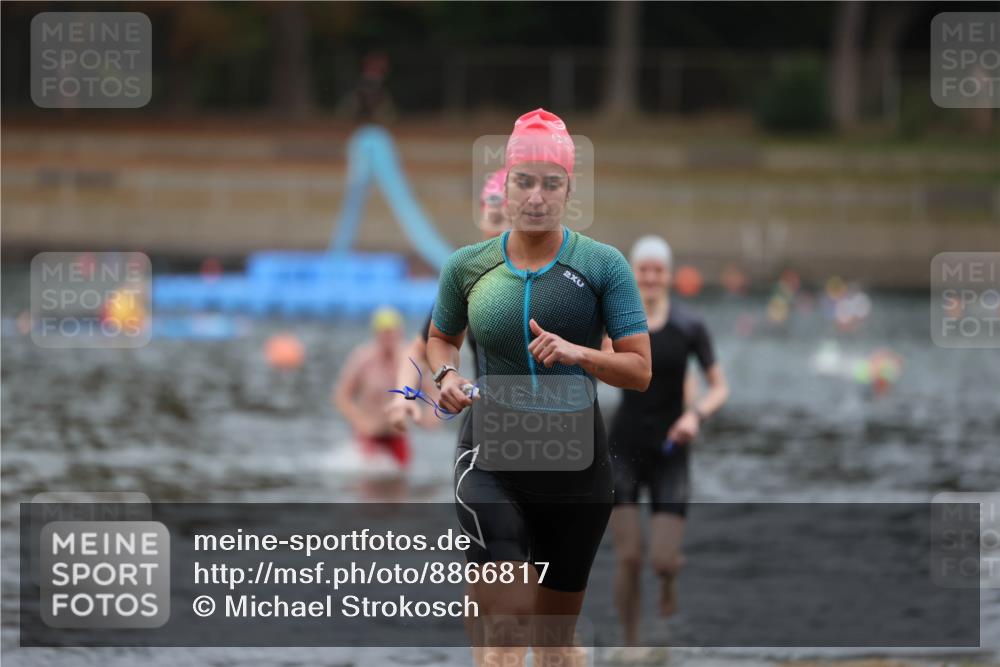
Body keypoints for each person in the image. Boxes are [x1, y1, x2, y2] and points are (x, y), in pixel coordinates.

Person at [426, 108, 652, 666]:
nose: (535, 196)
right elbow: (439, 339)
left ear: (568, 190)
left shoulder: (603, 266)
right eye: (524, 181)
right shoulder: (467, 267)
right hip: (491, 460)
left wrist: (580, 353)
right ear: (506, 184)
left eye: (551, 184)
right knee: (506, 623)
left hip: (577, 471)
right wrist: (446, 375)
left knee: (554, 645)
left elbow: (640, 371)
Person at [606, 235, 729, 664]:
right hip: (622, 449)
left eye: (659, 270)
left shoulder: (689, 326)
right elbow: (594, 365)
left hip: (670, 452)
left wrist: (696, 415)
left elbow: (720, 387)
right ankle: (631, 642)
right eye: (644, 269)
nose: (651, 277)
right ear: (633, 274)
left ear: (669, 275)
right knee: (629, 557)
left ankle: (670, 576)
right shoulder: (618, 325)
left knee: (660, 559)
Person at [385, 168, 509, 434]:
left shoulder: (558, 279)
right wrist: (403, 397)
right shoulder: (470, 280)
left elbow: (605, 350)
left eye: (511, 221)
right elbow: (418, 350)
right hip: (485, 430)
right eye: (496, 219)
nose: (503, 232)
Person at [333, 305, 411, 470]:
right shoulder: (363, 359)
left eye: (392, 332)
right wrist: (360, 421)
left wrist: (429, 417)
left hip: (397, 435)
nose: (389, 338)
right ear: (376, 334)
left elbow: (430, 391)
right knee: (368, 487)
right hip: (369, 434)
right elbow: (341, 396)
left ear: (400, 333)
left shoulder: (408, 361)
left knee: (401, 484)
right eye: (384, 333)